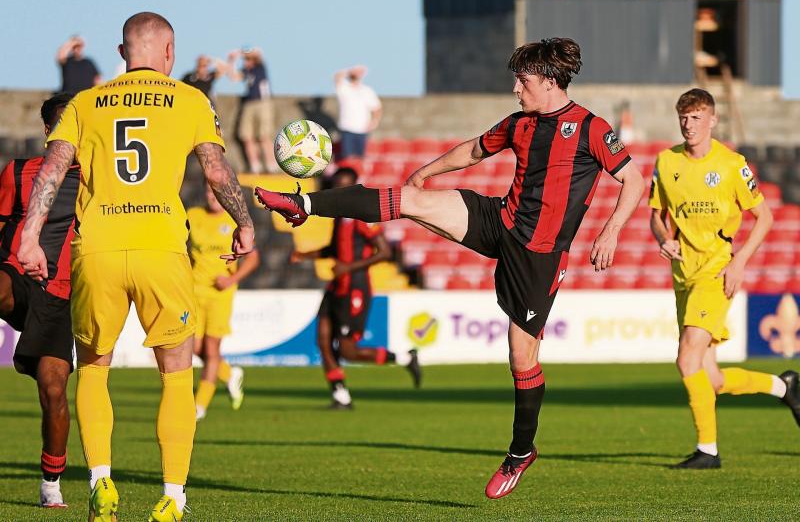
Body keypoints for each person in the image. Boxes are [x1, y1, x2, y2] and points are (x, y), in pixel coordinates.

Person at [256, 38, 645, 499]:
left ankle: (521, 452)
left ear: (547, 80)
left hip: (539, 256)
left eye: (522, 81)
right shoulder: (519, 123)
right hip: (499, 220)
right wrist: (427, 171)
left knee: (522, 358)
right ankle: (303, 203)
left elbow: (633, 179)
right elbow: (476, 150)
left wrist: (612, 229)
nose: (516, 89)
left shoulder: (590, 128)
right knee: (411, 200)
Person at [17, 12, 255, 522]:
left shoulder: (84, 102)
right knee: (175, 373)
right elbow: (215, 169)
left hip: (97, 248)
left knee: (95, 369)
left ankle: (101, 480)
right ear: (169, 51)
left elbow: (53, 170)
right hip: (161, 248)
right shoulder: (191, 99)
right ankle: (172, 494)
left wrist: (31, 236)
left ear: (124, 53)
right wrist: (244, 222)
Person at [648, 88, 800, 469]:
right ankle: (785, 387)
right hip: (683, 274)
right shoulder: (666, 162)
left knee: (687, 360)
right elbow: (656, 214)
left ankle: (708, 451)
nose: (689, 124)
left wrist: (740, 261)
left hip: (717, 273)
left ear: (713, 120)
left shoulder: (733, 165)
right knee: (710, 379)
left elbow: (764, 217)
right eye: (684, 117)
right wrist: (663, 238)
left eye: (697, 117)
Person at [0, 93, 76, 509]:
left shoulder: (97, 181)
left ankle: (51, 483)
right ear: (47, 131)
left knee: (53, 390)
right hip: (13, 272)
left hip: (58, 296)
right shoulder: (17, 172)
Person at [291, 167, 420, 409]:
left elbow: (385, 252)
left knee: (349, 350)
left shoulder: (364, 218)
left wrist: (348, 269)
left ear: (354, 187)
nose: (340, 190)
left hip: (355, 288)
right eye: (337, 184)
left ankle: (404, 357)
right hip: (337, 285)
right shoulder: (339, 216)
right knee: (323, 338)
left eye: (345, 185)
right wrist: (304, 255)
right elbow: (334, 249)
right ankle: (341, 395)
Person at [189, 183, 260, 420]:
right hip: (195, 291)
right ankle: (229, 375)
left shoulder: (234, 222)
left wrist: (231, 281)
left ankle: (200, 405)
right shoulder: (193, 216)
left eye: (216, 193)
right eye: (208, 192)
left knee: (211, 350)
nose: (212, 197)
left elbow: (252, 259)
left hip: (220, 294)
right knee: (194, 348)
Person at [227, 47, 277, 173]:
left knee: (264, 136)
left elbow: (258, 53)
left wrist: (240, 52)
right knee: (247, 136)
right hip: (249, 104)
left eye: (248, 59)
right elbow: (233, 77)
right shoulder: (246, 71)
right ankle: (255, 165)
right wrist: (231, 61)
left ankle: (271, 165)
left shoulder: (260, 67)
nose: (245, 61)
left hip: (263, 102)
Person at [334, 65, 382, 160]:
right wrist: (350, 71)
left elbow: (377, 108)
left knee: (359, 159)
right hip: (347, 129)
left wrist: (374, 122)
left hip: (362, 130)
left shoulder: (367, 91)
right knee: (347, 158)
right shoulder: (344, 88)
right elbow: (337, 77)